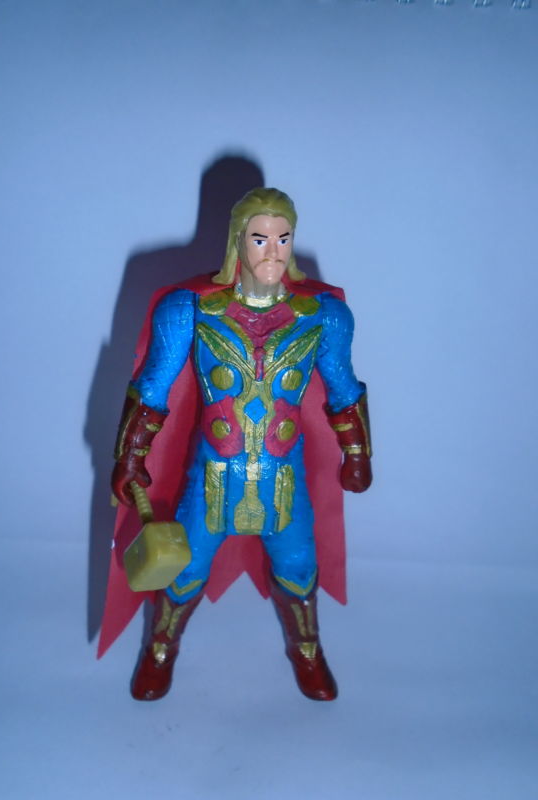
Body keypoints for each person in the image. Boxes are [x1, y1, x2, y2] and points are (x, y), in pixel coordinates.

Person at [108, 187, 372, 701]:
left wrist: (358, 452)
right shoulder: (191, 309)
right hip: (213, 477)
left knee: (298, 567)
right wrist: (131, 454)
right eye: (260, 238)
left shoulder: (323, 315)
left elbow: (344, 388)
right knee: (184, 569)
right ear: (238, 241)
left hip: (282, 475)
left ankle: (307, 649)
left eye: (283, 238)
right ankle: (161, 648)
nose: (273, 251)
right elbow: (153, 387)